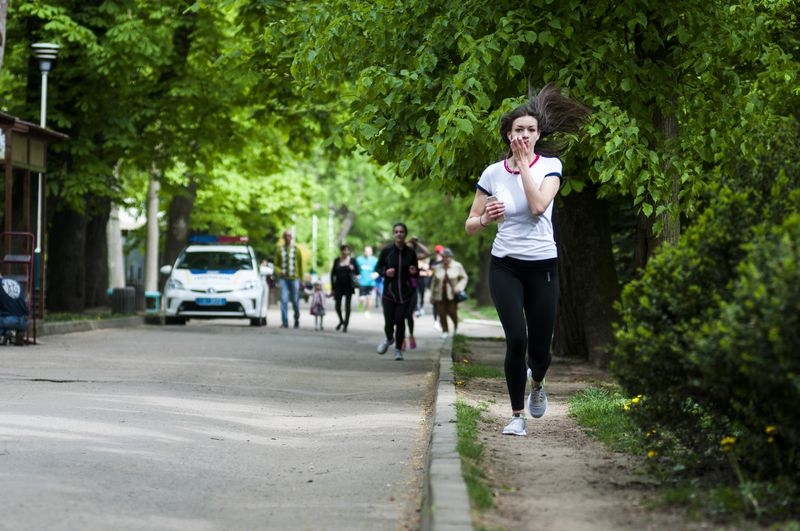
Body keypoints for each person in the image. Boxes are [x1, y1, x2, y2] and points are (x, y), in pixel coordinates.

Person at [465, 83, 590, 436]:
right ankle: (516, 416)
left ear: (538, 135)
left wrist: (523, 167)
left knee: (540, 348)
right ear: (508, 134)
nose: (524, 135)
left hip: (542, 265)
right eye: (518, 129)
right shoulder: (492, 173)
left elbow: (537, 206)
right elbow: (470, 224)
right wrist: (486, 218)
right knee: (516, 338)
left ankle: (537, 381)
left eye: (530, 130)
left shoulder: (550, 166)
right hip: (505, 264)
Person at [375, 222, 419, 361]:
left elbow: (416, 271)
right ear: (393, 234)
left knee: (400, 321)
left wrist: (414, 272)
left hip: (405, 294)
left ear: (405, 234)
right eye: (396, 232)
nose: (399, 234)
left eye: (401, 232)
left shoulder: (410, 252)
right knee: (389, 323)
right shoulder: (387, 251)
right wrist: (385, 272)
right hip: (389, 293)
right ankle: (389, 339)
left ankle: (398, 350)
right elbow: (378, 268)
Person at [429, 248, 468, 339]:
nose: (445, 259)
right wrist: (431, 295)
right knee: (441, 312)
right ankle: (445, 330)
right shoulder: (438, 267)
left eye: (447, 257)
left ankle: (456, 327)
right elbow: (434, 282)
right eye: (443, 257)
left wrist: (459, 287)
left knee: (452, 311)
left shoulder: (457, 266)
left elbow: (464, 277)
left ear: (451, 257)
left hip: (452, 294)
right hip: (439, 294)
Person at [403, 237, 430, 350]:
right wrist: (409, 240)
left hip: (412, 290)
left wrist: (417, 243)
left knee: (409, 315)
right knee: (400, 316)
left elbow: (427, 253)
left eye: (411, 247)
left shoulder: (415, 257)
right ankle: (401, 338)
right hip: (400, 289)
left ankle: (411, 335)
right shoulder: (400, 256)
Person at [274, 230, 304, 328]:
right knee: (284, 300)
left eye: (289, 236)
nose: (287, 237)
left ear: (291, 237)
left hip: (295, 279)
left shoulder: (297, 250)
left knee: (295, 300)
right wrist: (279, 271)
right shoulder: (279, 250)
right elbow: (275, 265)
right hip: (283, 279)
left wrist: (302, 280)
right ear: (283, 237)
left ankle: (296, 319)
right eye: (286, 236)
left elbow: (300, 266)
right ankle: (285, 322)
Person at [330, 243, 359, 332]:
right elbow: (332, 274)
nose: (345, 252)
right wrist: (332, 288)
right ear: (341, 251)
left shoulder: (352, 260)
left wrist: (352, 268)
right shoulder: (337, 260)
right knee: (337, 306)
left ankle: (346, 324)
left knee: (347, 306)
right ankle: (341, 321)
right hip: (338, 286)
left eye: (347, 250)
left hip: (349, 286)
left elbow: (358, 272)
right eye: (344, 250)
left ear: (349, 251)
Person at [355, 245, 378, 318]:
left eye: (369, 251)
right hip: (362, 282)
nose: (367, 253)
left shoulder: (375, 260)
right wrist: (356, 275)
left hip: (371, 282)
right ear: (364, 252)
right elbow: (355, 269)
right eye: (366, 251)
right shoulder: (359, 259)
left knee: (369, 297)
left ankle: (367, 311)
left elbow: (378, 270)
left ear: (371, 252)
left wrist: (376, 274)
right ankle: (360, 304)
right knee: (362, 298)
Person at [429, 245, 445, 329]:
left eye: (440, 252)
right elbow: (431, 269)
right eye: (438, 252)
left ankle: (442, 321)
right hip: (434, 284)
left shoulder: (444, 260)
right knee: (435, 303)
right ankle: (436, 321)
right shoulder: (432, 261)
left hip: (443, 285)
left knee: (442, 304)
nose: (439, 254)